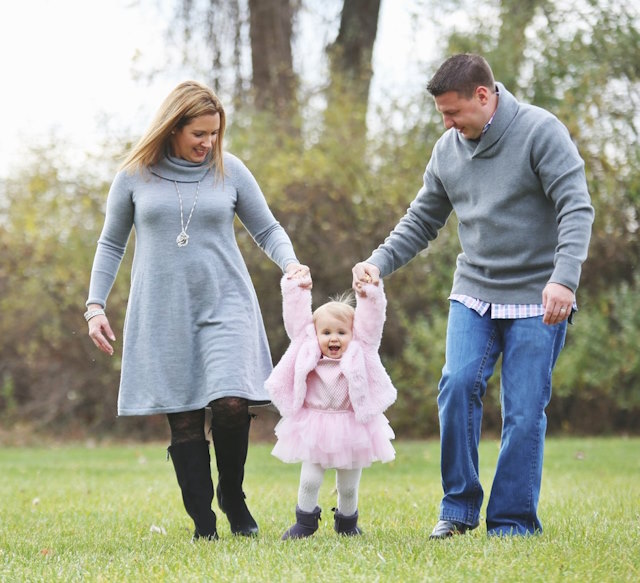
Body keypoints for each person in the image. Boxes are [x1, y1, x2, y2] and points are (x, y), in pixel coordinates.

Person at [352, 54, 594, 538]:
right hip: (475, 292)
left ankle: (512, 520)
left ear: (484, 96)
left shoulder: (540, 132)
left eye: (453, 112)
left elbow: (576, 206)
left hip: (537, 296)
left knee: (524, 410)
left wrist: (564, 279)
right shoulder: (448, 150)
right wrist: (377, 262)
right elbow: (422, 219)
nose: (447, 123)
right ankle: (458, 510)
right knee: (457, 385)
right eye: (442, 114)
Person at [85, 80, 311, 541]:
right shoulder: (134, 176)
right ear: (172, 129)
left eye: (214, 134)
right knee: (185, 415)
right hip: (163, 309)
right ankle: (203, 522)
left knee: (231, 401)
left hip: (226, 301)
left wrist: (291, 263)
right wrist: (94, 305)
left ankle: (233, 495)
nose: (208, 144)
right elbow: (111, 243)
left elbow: (266, 228)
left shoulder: (230, 171)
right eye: (199, 135)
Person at [265, 273, 396, 539]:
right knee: (310, 479)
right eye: (326, 333)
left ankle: (347, 523)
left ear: (353, 334)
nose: (333, 338)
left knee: (348, 486)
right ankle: (305, 522)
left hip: (353, 426)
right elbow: (296, 321)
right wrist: (296, 290)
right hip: (314, 424)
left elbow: (372, 322)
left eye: (341, 332)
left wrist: (369, 293)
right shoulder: (307, 350)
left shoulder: (363, 350)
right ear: (315, 335)